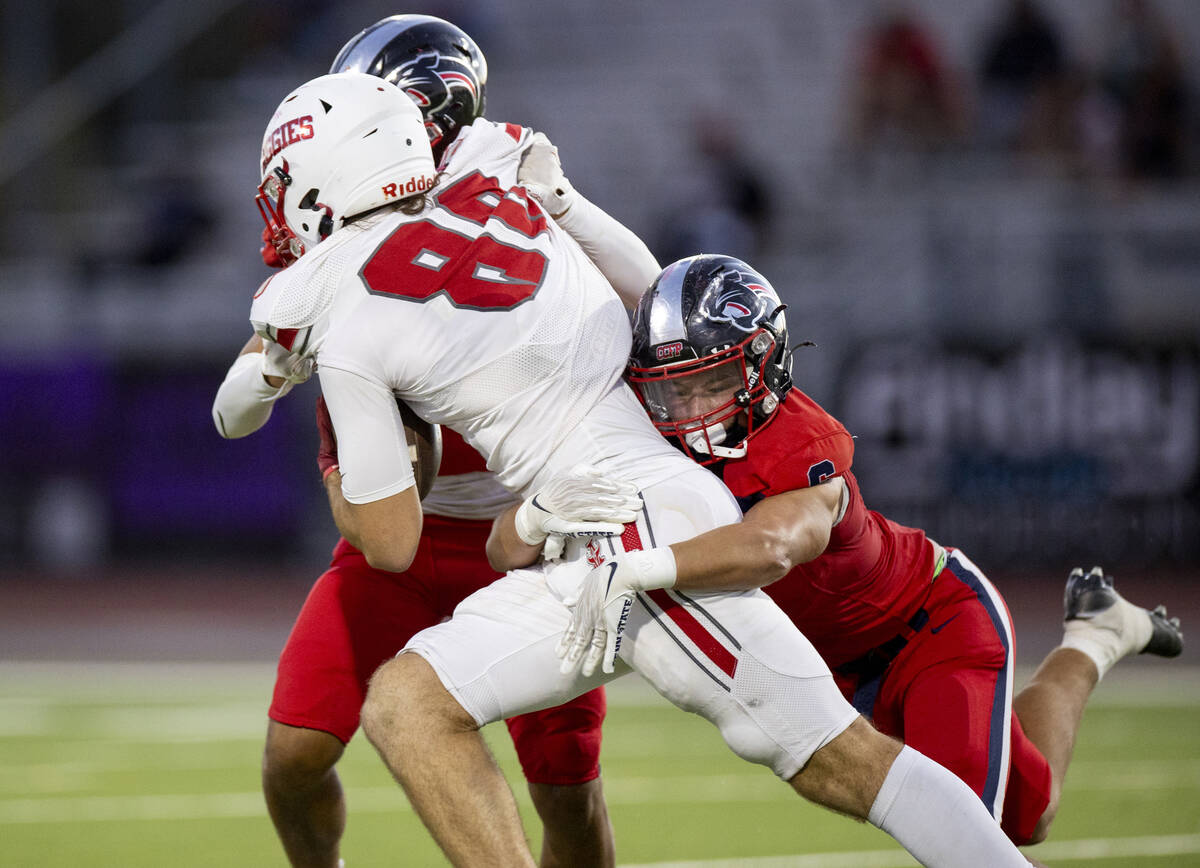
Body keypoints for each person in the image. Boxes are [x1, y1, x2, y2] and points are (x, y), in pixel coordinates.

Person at [246, 69, 1038, 867]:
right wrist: (534, 516)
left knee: (842, 761)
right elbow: (641, 286)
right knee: (407, 704)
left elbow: (385, 536)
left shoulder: (355, 315)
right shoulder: (510, 201)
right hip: (593, 529)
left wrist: (301, 384)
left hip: (641, 531)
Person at [211, 16, 660, 867]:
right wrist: (272, 361)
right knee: (293, 755)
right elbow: (242, 391)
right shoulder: (352, 225)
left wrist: (559, 203)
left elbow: (641, 283)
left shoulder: (505, 173)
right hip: (413, 538)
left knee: (568, 789)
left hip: (534, 533)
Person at [552, 252, 1185, 847]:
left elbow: (772, 546)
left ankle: (1092, 638)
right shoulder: (647, 433)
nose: (690, 410)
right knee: (1031, 813)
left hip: (931, 629)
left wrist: (636, 568)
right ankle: (1097, 635)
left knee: (963, 841)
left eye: (713, 382)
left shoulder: (798, 442)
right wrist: (537, 514)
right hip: (843, 672)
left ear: (764, 363)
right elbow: (504, 545)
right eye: (674, 389)